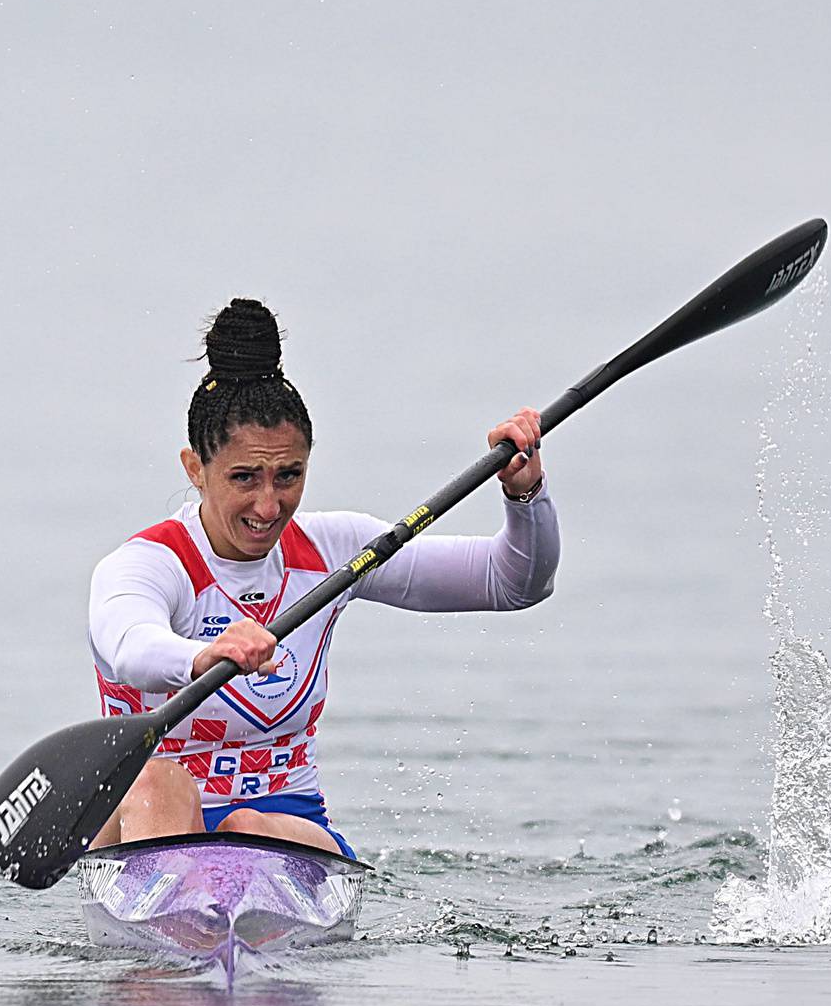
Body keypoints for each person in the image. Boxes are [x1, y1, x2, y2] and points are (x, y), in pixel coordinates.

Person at [87, 297, 558, 860]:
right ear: (194, 468)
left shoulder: (332, 549)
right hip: (151, 822)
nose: (269, 505)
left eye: (289, 475)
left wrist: (523, 493)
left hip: (283, 826)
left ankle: (232, 909)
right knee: (160, 782)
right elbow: (128, 648)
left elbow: (512, 582)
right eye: (245, 477)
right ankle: (177, 922)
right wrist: (201, 657)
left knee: (251, 827)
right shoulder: (148, 564)